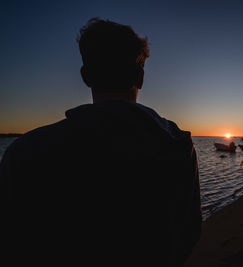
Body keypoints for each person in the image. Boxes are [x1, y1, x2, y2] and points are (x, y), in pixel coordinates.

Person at [0, 18, 202, 266]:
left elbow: (11, 243)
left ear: (86, 76)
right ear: (140, 77)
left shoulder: (25, 152)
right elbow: (189, 232)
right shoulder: (178, 145)